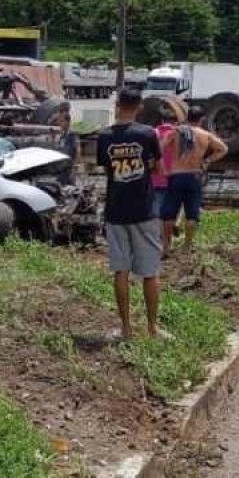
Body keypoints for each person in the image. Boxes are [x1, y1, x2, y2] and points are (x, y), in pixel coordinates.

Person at [96, 89, 164, 340]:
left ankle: (126, 329)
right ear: (140, 106)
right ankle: (153, 329)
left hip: (116, 211)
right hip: (144, 211)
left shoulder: (104, 137)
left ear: (117, 104)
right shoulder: (148, 134)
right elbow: (159, 168)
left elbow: (106, 170)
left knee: (120, 271)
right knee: (149, 272)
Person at [159, 106, 228, 255]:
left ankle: (166, 246)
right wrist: (207, 160)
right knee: (192, 213)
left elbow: (160, 147)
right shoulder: (205, 135)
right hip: (194, 175)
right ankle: (187, 246)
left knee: (169, 213)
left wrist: (164, 167)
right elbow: (223, 148)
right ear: (201, 119)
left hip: (176, 175)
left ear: (187, 117)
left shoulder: (175, 132)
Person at [152, 110, 179, 219]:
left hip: (155, 178)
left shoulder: (152, 133)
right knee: (171, 211)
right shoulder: (179, 134)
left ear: (162, 121)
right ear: (176, 122)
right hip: (174, 178)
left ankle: (157, 233)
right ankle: (168, 233)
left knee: (156, 210)